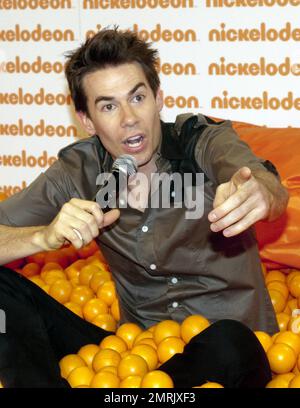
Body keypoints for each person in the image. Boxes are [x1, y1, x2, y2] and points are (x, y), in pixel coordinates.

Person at [0, 28, 289, 388]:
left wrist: (260, 193)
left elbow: (266, 185)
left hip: (228, 348)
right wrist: (42, 237)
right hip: (131, 358)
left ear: (158, 97)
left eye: (137, 98)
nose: (129, 118)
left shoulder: (200, 141)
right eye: (108, 105)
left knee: (231, 342)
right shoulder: (78, 171)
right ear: (87, 121)